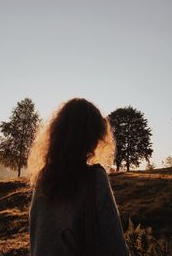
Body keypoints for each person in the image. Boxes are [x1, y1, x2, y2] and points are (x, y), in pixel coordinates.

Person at [29, 98, 129, 256]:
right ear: (91, 137)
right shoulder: (94, 178)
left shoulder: (43, 178)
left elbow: (36, 241)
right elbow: (115, 245)